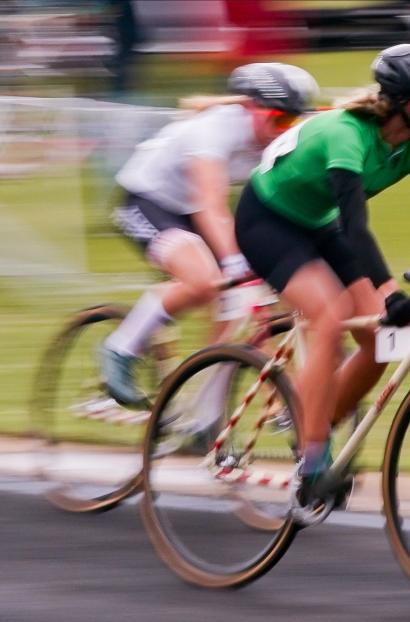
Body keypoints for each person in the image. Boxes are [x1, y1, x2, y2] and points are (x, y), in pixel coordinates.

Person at [234, 43, 410, 512]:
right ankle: (312, 458)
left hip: (320, 223)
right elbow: (357, 226)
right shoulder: (347, 135)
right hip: (267, 219)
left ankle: (315, 418)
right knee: (329, 315)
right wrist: (388, 292)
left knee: (389, 335)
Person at [100, 62, 320, 407]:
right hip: (146, 199)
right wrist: (235, 262)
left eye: (293, 122)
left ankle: (205, 416)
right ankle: (120, 349)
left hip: (190, 209)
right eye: (279, 119)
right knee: (203, 281)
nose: (284, 130)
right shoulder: (214, 129)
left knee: (237, 306)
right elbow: (209, 204)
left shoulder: (276, 139)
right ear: (250, 108)